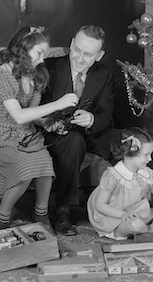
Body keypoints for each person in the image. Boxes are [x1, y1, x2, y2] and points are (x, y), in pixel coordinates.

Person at [0, 26, 78, 231]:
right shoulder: (2, 75)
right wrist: (58, 104)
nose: (43, 59)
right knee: (26, 169)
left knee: (45, 168)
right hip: (3, 135)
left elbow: (31, 115)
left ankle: (40, 213)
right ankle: (2, 217)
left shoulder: (33, 75)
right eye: (39, 53)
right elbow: (18, 116)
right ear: (23, 49)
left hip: (26, 134)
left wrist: (47, 123)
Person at [41, 25, 117, 236]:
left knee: (127, 140)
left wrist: (92, 119)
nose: (80, 59)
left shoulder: (105, 74)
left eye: (89, 55)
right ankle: (63, 210)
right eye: (77, 50)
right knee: (73, 141)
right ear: (72, 44)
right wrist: (53, 122)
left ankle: (123, 206)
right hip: (57, 133)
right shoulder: (49, 68)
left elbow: (106, 116)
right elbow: (36, 108)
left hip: (90, 132)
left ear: (99, 55)